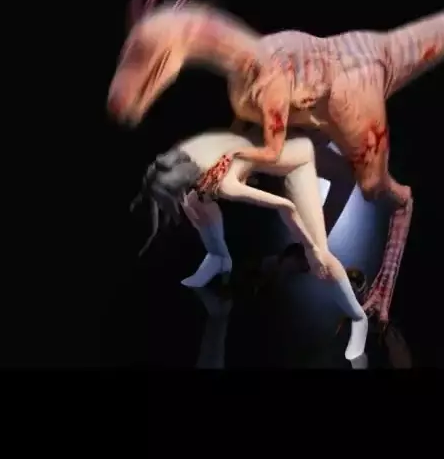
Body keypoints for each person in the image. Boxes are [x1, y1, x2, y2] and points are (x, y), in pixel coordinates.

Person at [131, 129, 368, 361]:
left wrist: (310, 248)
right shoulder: (182, 153)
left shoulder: (225, 184)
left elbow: (286, 206)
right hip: (272, 142)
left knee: (321, 256)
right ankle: (219, 258)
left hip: (297, 158)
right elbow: (165, 185)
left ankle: (359, 318)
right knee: (195, 201)